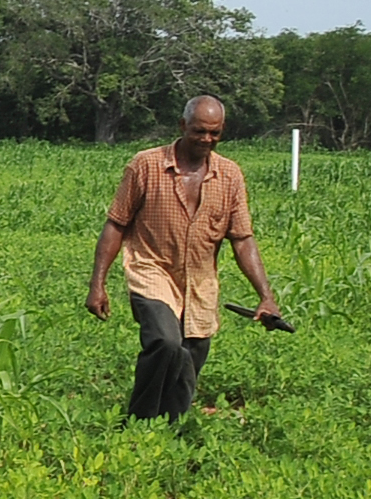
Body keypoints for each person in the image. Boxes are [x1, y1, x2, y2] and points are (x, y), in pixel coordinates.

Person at [85, 94, 282, 419]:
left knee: (189, 360)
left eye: (215, 133)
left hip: (200, 283)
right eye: (199, 131)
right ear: (182, 126)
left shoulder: (230, 175)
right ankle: (139, 422)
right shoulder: (146, 165)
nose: (207, 139)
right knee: (165, 342)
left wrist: (266, 297)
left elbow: (242, 238)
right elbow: (116, 224)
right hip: (152, 271)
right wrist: (97, 285)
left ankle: (170, 429)